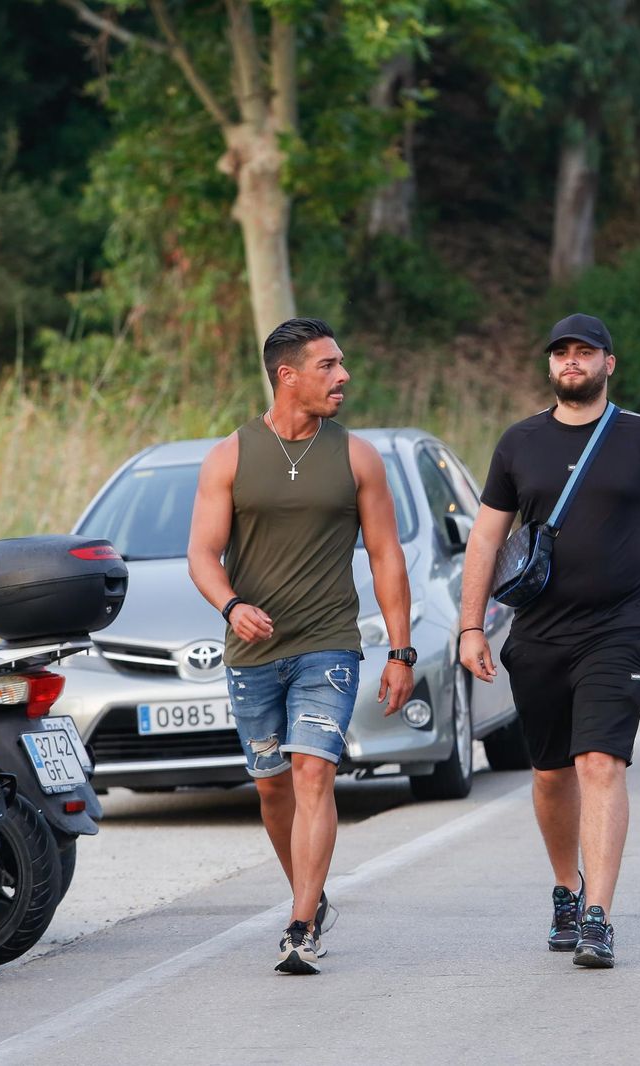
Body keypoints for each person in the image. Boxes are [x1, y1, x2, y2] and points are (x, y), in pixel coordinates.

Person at [187, 317, 417, 975]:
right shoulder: (230, 455)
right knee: (273, 790)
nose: (343, 376)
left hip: (328, 645)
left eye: (341, 364)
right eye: (328, 366)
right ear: (287, 375)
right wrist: (231, 606)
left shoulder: (356, 456)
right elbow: (202, 554)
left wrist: (399, 652)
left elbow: (385, 556)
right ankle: (309, 898)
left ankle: (298, 924)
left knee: (314, 769)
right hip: (253, 654)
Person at [456, 313, 640, 970]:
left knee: (600, 765)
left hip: (617, 627)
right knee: (552, 775)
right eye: (562, 353)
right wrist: (472, 626)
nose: (572, 362)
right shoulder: (519, 442)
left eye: (585, 352)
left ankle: (600, 915)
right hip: (540, 634)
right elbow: (486, 539)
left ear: (610, 363)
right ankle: (566, 887)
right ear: (550, 367)